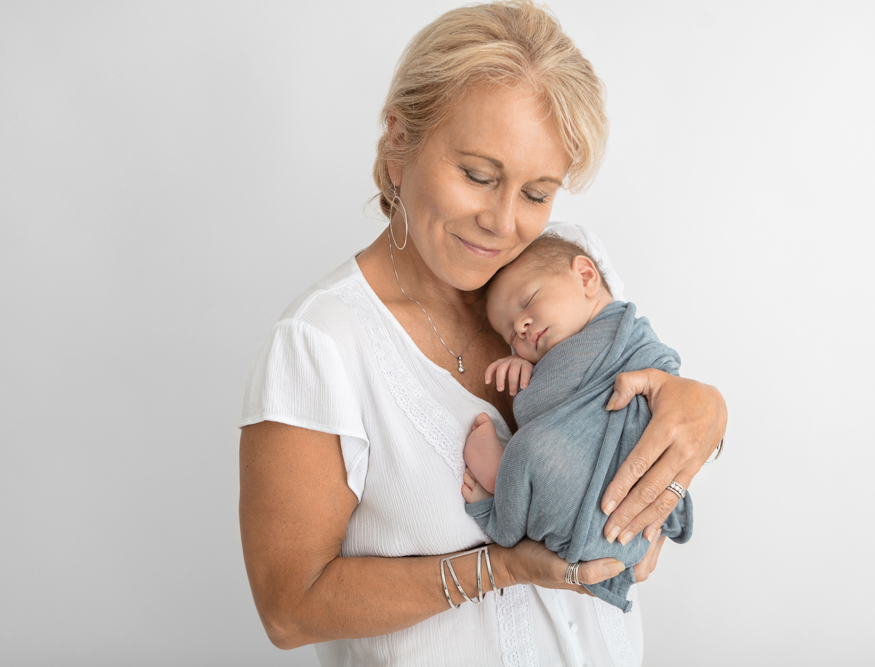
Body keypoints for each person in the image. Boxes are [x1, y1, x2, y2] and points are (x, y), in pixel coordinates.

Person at [238, 2, 727, 665]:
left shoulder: (570, 263)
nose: (503, 223)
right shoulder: (322, 342)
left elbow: (646, 391)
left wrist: (704, 409)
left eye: (536, 193)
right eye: (477, 174)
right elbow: (289, 607)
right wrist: (502, 566)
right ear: (398, 140)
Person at [460, 234, 694, 613]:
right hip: (595, 512)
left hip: (628, 487)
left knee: (530, 447)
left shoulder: (625, 330)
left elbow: (665, 376)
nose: (520, 327)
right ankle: (510, 485)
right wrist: (529, 369)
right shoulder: (552, 356)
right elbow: (554, 407)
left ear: (585, 277)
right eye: (509, 336)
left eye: (527, 302)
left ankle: (501, 506)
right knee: (538, 445)